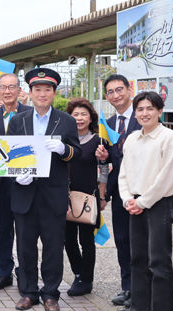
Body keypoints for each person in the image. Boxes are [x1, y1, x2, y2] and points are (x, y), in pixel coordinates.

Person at [7, 68, 81, 311]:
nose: (42, 94)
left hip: (53, 195)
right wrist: (19, 176)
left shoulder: (66, 120)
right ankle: (28, 292)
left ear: (53, 92)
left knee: (53, 247)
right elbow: (10, 154)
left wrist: (62, 149)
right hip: (25, 193)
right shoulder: (18, 120)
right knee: (25, 247)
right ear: (30, 92)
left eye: (47, 89)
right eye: (37, 89)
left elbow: (76, 152)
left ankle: (50, 293)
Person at [117, 91, 173, 311]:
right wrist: (127, 199)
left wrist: (142, 201)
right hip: (135, 204)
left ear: (160, 111)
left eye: (150, 108)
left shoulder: (168, 137)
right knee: (138, 259)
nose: (145, 113)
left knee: (158, 262)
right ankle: (140, 308)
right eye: (140, 109)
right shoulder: (132, 138)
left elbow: (167, 177)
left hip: (159, 204)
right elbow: (124, 174)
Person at [95, 74, 141, 307]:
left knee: (143, 243)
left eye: (119, 89)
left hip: (144, 193)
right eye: (111, 92)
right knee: (123, 241)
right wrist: (103, 191)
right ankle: (128, 287)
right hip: (121, 193)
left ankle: (143, 289)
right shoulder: (107, 124)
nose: (116, 95)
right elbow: (105, 163)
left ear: (129, 89)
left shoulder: (144, 116)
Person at [0, 73, 31, 290]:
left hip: (25, 182)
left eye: (12, 87)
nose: (7, 91)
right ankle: (5, 272)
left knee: (25, 230)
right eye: (3, 87)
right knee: (2, 229)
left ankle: (25, 272)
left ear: (19, 90)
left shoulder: (31, 114)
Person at [65, 98, 108, 296]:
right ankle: (78, 273)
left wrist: (102, 196)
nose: (79, 118)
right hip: (64, 197)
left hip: (88, 198)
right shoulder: (64, 140)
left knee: (86, 240)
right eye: (75, 115)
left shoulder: (99, 142)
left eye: (84, 114)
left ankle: (86, 279)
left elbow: (103, 170)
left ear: (91, 118)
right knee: (67, 239)